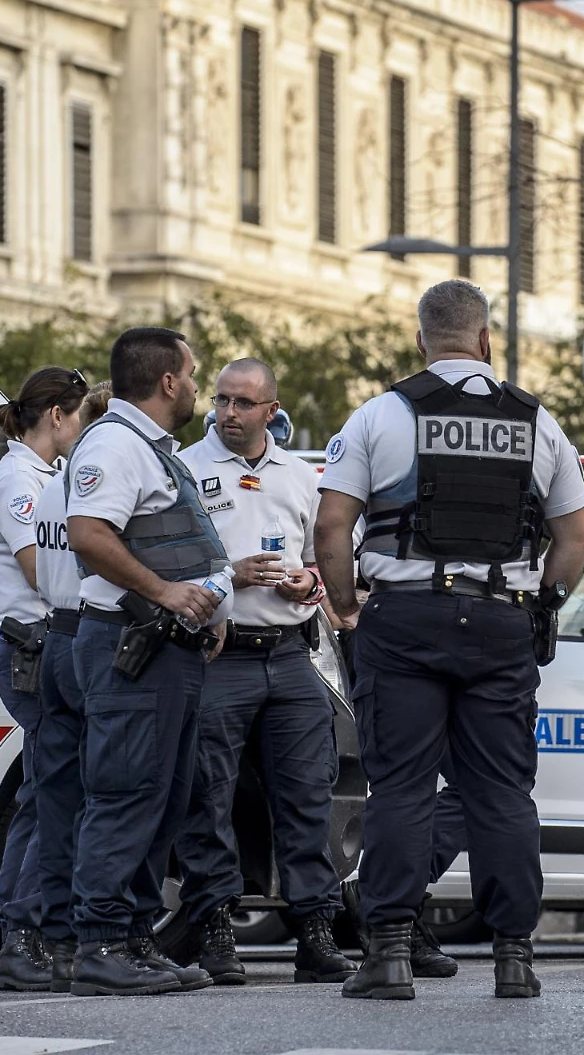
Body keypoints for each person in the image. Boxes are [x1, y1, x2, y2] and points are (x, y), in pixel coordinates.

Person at [315, 279, 584, 1001]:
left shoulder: (381, 415)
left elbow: (331, 526)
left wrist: (346, 603)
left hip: (403, 617)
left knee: (402, 786)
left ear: (420, 340)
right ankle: (514, 957)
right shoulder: (539, 423)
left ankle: (389, 954)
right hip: (501, 619)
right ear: (486, 339)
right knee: (502, 791)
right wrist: (543, 604)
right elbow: (575, 537)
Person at [65, 328, 235, 996]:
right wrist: (166, 593)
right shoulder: (113, 444)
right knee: (126, 794)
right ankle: (101, 942)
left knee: (160, 801)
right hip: (131, 648)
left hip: (169, 649)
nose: (197, 385)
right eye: (193, 374)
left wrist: (203, 614)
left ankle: (134, 937)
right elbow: (88, 534)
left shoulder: (147, 448)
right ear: (168, 381)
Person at [174, 358, 352, 987]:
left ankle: (316, 931)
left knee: (306, 795)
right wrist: (229, 579)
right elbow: (163, 566)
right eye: (221, 400)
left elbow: (316, 562)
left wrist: (310, 581)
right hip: (216, 657)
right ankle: (216, 927)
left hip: (288, 654)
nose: (228, 413)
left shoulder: (301, 476)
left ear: (271, 410)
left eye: (243, 403)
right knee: (209, 798)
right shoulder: (185, 469)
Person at [0, 366, 91, 991]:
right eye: (80, 417)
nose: (83, 430)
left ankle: (33, 936)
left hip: (46, 649)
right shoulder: (20, 479)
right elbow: (39, 569)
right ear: (56, 416)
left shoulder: (40, 475)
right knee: (46, 800)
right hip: (36, 649)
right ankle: (22, 938)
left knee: (51, 795)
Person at [30, 382, 111, 993]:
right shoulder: (102, 486)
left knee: (58, 804)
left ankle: (55, 938)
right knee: (108, 798)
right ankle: (97, 938)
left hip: (55, 635)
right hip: (89, 638)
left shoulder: (56, 484)